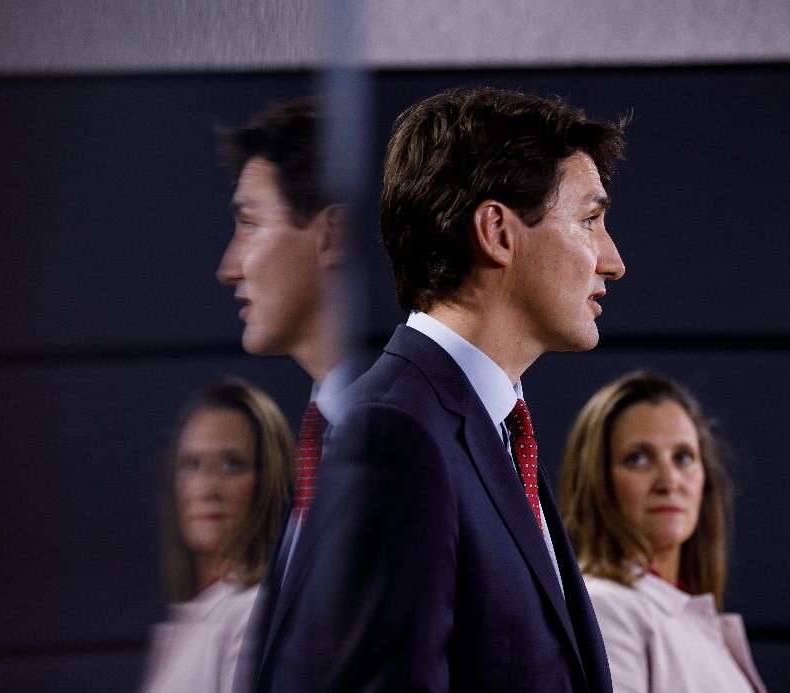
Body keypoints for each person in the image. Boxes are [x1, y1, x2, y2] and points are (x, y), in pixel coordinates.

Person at [277, 86, 627, 691]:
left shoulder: (488, 427)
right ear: (496, 231)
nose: (612, 259)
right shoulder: (396, 437)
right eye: (589, 221)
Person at [213, 98, 352, 692]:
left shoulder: (402, 439)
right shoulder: (329, 439)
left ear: (332, 233)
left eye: (249, 224)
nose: (229, 267)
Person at [558, 371, 766, 693]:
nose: (669, 482)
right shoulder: (604, 608)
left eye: (683, 457)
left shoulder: (685, 614)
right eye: (638, 459)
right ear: (596, 481)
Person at [139, 377, 295, 693]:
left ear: (268, 479)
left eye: (232, 464)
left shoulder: (252, 612)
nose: (208, 488)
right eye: (192, 464)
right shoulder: (193, 616)